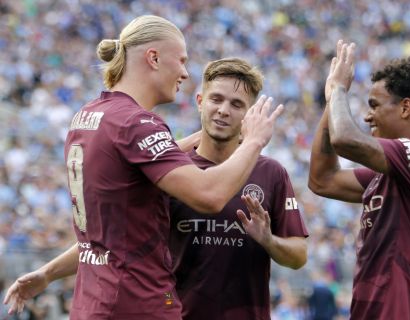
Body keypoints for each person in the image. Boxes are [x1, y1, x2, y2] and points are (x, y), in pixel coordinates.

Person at [3, 16, 283, 320]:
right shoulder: (138, 124)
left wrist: (47, 273)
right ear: (154, 58)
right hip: (137, 303)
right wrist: (254, 140)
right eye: (181, 60)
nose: (185, 73)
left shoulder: (89, 116)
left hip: (93, 302)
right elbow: (210, 195)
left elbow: (107, 238)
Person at [308, 40, 410, 319]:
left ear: (405, 108)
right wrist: (331, 103)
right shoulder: (396, 174)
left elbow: (344, 139)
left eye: (374, 105)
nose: (367, 115)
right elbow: (322, 180)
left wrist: (338, 89)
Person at [169, 57, 308, 319]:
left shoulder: (271, 173)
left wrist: (269, 240)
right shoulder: (173, 169)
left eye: (236, 104)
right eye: (216, 99)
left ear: (250, 114)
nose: (223, 110)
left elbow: (298, 256)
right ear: (200, 101)